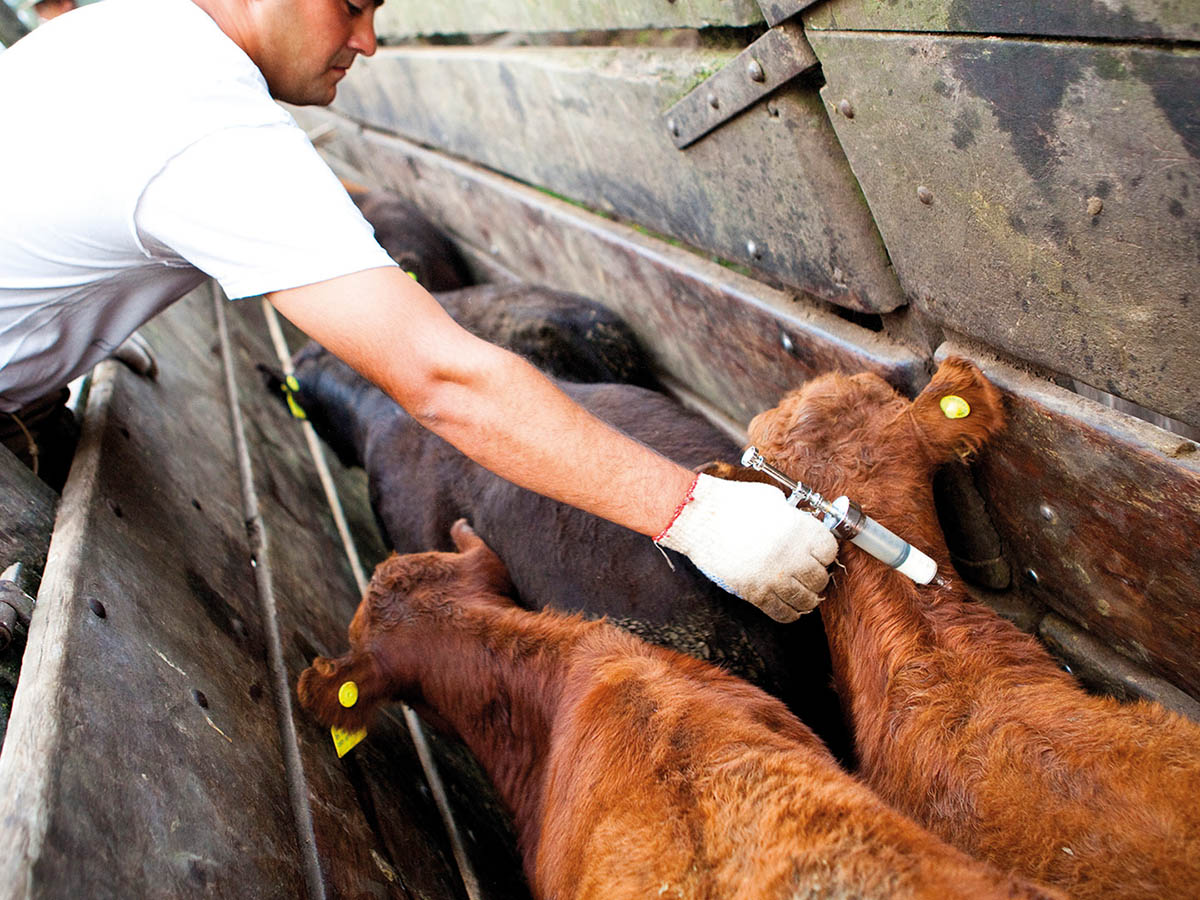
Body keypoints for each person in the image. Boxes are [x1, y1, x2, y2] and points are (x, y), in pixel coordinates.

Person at [0, 0, 838, 622]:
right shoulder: (204, 123)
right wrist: (698, 516)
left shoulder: (115, 30)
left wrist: (76, 336)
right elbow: (440, 378)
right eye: (350, 6)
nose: (368, 40)